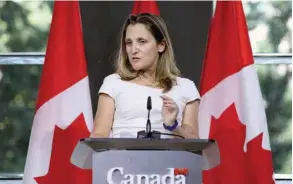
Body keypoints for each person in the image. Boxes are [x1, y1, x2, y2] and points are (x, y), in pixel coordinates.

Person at [90, 13, 200, 139]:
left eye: (142, 41)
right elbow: (98, 136)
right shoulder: (113, 83)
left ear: (161, 45)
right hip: (122, 158)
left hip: (169, 158)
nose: (133, 50)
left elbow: (194, 142)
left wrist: (173, 126)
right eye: (129, 42)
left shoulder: (185, 87)